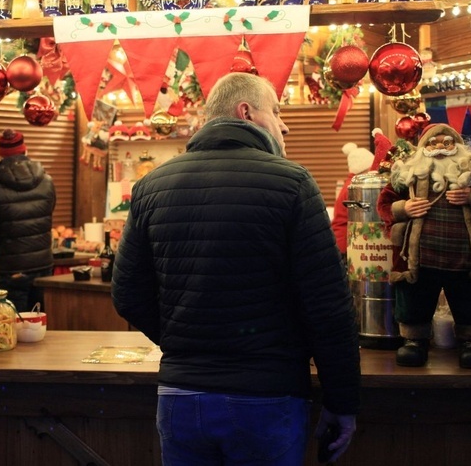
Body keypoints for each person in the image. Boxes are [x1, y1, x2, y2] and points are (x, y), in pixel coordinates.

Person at [111, 72, 360, 466]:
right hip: (267, 395)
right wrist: (343, 401)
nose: (285, 124)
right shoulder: (293, 183)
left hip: (181, 396)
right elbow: (328, 305)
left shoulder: (152, 185)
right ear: (246, 112)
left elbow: (127, 295)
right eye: (276, 112)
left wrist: (184, 339)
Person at [376, 123, 471, 369]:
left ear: (458, 146)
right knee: (414, 298)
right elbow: (384, 203)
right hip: (418, 258)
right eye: (432, 143)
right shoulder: (409, 173)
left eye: (446, 143)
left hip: (467, 257)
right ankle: (414, 341)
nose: (439, 147)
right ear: (422, 147)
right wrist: (403, 208)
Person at [0, 129, 56, 313]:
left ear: (0, 153)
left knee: (13, 322)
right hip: (44, 264)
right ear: (25, 150)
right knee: (41, 322)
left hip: (11, 267)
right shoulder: (46, 180)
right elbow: (48, 211)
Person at [331, 141, 375, 257]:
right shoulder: (356, 188)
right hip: (346, 242)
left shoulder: (350, 184)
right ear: (365, 168)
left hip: (342, 239)